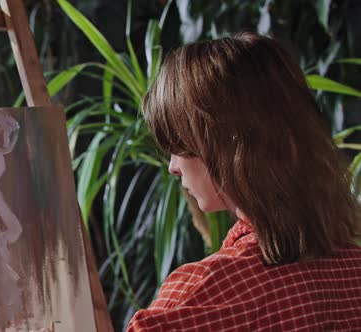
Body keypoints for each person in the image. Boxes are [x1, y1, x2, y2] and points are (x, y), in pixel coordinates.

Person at [126, 31, 361, 331]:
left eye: (178, 141)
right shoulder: (354, 270)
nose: (173, 166)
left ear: (228, 140)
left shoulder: (204, 293)